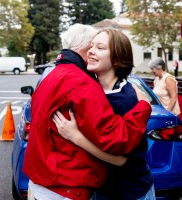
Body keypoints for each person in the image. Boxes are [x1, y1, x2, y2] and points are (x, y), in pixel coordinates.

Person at [23, 24, 152, 200]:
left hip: (128, 191)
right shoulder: (89, 89)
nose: (90, 51)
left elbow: (121, 158)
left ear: (116, 58)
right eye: (91, 46)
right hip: (98, 190)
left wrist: (75, 136)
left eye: (100, 47)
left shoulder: (126, 97)